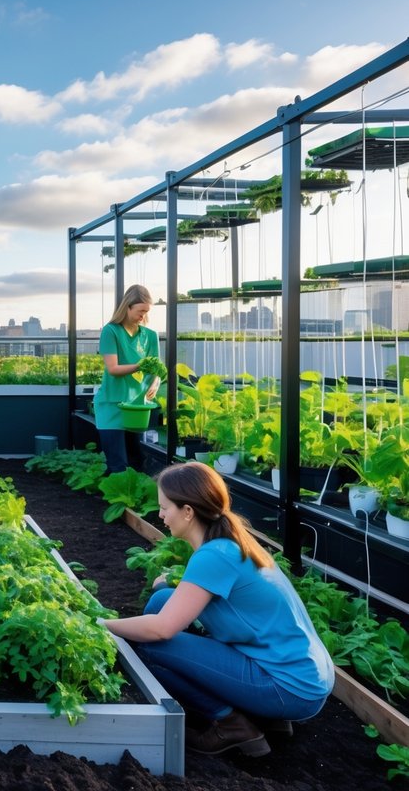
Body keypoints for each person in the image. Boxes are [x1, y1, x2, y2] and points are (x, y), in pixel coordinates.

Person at [104, 462, 333, 757]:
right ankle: (265, 717)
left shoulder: (214, 556)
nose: (159, 515)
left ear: (188, 511)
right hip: (302, 672)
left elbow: (161, 629)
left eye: (164, 508)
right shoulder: (230, 542)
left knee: (146, 645)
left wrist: (101, 624)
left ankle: (231, 722)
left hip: (290, 688)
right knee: (163, 600)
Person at [96, 284, 161, 474]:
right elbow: (113, 369)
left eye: (146, 312)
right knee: (117, 464)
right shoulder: (111, 331)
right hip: (111, 404)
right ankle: (118, 502)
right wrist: (141, 366)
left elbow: (156, 368)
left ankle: (133, 502)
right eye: (140, 311)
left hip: (137, 406)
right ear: (127, 307)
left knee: (137, 461)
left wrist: (155, 382)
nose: (143, 316)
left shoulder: (150, 336)